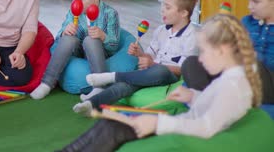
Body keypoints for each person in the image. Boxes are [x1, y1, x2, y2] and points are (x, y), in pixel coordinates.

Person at [59, 14, 262, 152]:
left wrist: (157, 123)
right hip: (181, 124)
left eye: (204, 52)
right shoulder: (231, 78)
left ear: (222, 50)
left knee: (113, 129)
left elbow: (206, 126)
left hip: (183, 134)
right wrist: (192, 97)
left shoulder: (233, 85)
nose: (200, 59)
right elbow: (218, 107)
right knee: (112, 121)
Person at [73, 0, 198, 116]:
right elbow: (150, 55)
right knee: (124, 86)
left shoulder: (192, 36)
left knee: (160, 70)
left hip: (169, 75)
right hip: (150, 72)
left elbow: (183, 69)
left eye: (167, 8)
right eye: (162, 6)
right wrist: (140, 54)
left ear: (183, 13)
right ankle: (91, 104)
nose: (162, 11)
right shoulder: (161, 30)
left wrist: (153, 65)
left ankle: (111, 77)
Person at [182, 0, 274, 103]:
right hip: (235, 77)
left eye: (255, 2)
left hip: (264, 84)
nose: (249, 6)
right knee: (191, 63)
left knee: (253, 65)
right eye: (249, 1)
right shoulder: (247, 22)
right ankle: (208, 101)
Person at [30, 0, 121, 99]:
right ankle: (47, 83)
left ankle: (100, 87)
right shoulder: (74, 11)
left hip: (100, 53)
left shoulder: (110, 14)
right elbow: (59, 39)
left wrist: (103, 36)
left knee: (91, 40)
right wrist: (65, 31)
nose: (76, 2)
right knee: (67, 39)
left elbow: (114, 46)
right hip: (78, 51)